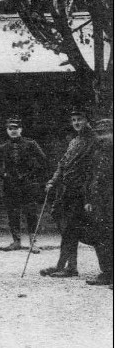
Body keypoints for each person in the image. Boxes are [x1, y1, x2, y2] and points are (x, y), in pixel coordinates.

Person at [42, 108, 99, 278]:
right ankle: (65, 266)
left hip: (82, 193)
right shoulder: (74, 141)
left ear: (87, 120)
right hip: (67, 191)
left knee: (72, 230)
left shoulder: (94, 141)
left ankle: (69, 267)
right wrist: (53, 181)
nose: (76, 123)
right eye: (74, 120)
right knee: (67, 229)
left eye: (79, 119)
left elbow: (92, 170)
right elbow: (63, 164)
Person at [0, 117, 48, 253]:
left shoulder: (31, 144)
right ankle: (16, 241)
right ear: (7, 130)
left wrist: (33, 174)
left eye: (16, 128)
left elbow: (43, 160)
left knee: (31, 213)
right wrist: (4, 174)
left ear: (21, 129)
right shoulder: (3, 147)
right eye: (10, 129)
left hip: (28, 184)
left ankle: (32, 242)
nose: (13, 131)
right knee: (12, 213)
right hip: (10, 185)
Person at [84, 119, 113, 286]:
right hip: (98, 205)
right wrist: (88, 200)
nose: (102, 137)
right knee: (101, 238)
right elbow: (90, 179)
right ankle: (107, 272)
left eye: (106, 133)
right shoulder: (96, 154)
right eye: (99, 134)